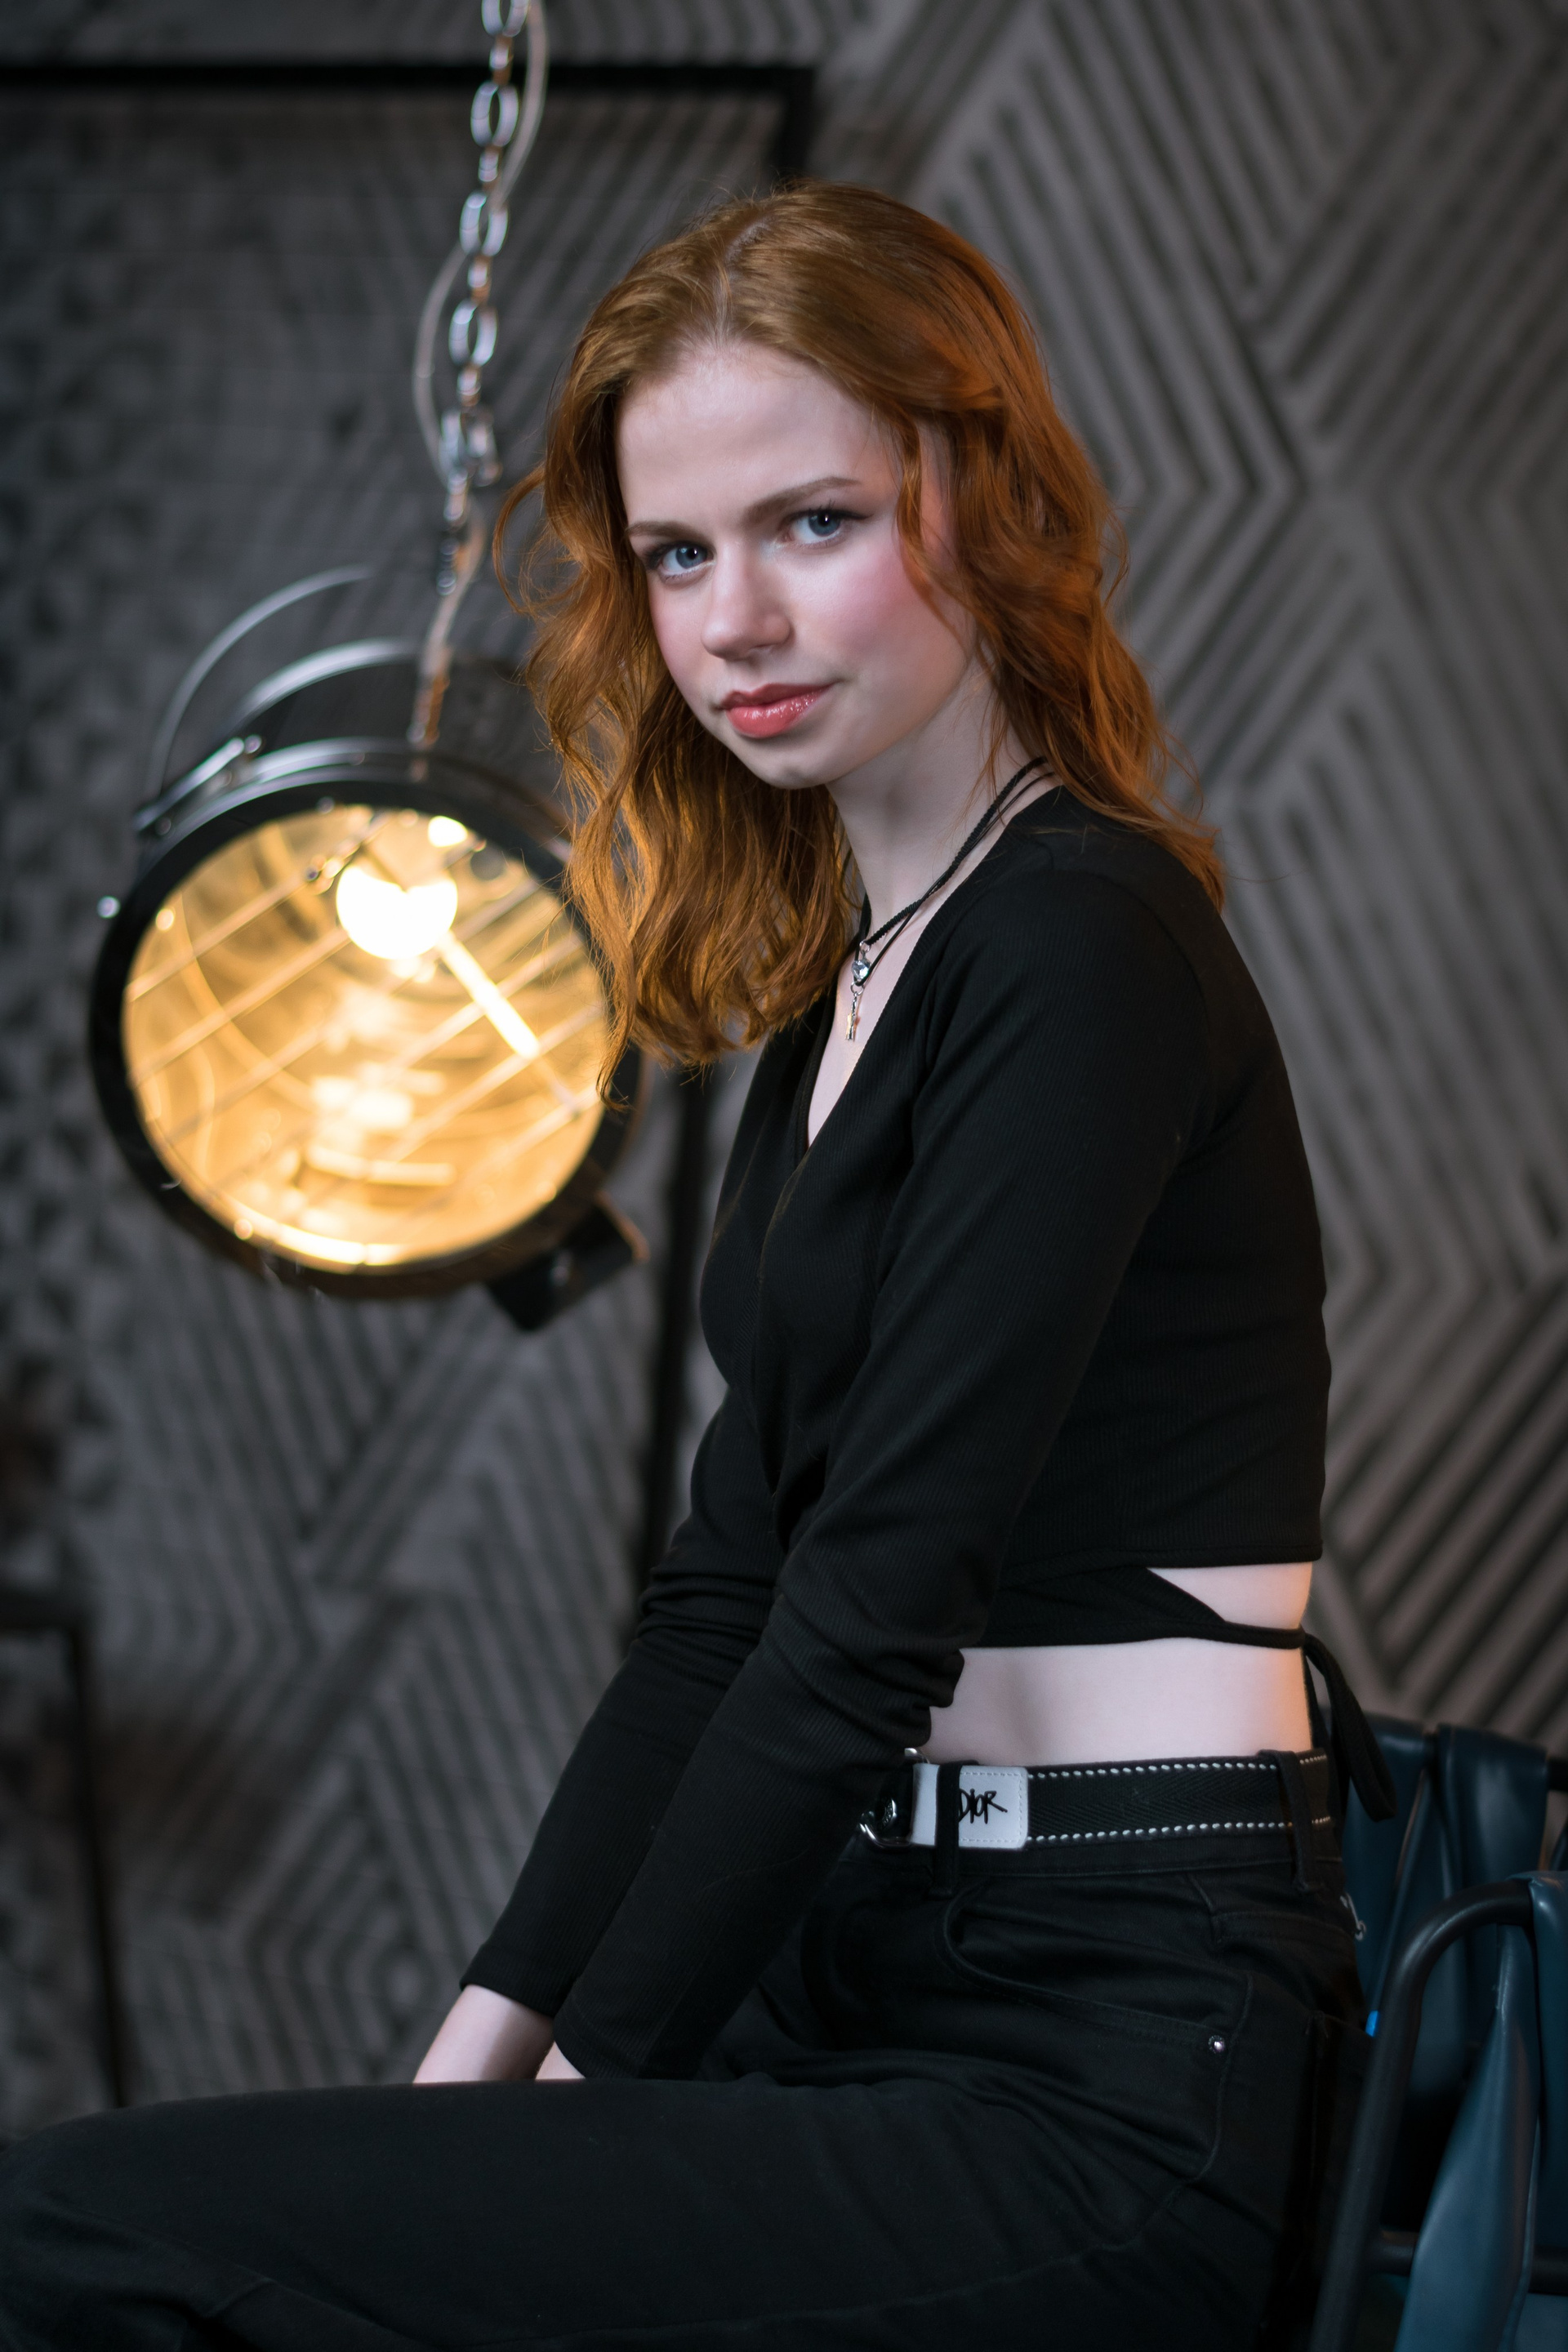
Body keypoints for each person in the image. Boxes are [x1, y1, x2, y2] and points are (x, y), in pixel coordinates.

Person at [0, 181, 1392, 2351]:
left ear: (981, 496)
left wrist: (567, 2113)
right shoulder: (858, 982)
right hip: (860, 1957)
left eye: (812, 524)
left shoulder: (1086, 944)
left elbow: (870, 1608)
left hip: (1106, 2052)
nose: (735, 617)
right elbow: (725, 1602)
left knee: (72, 2238)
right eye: (674, 554)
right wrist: (471, 2075)